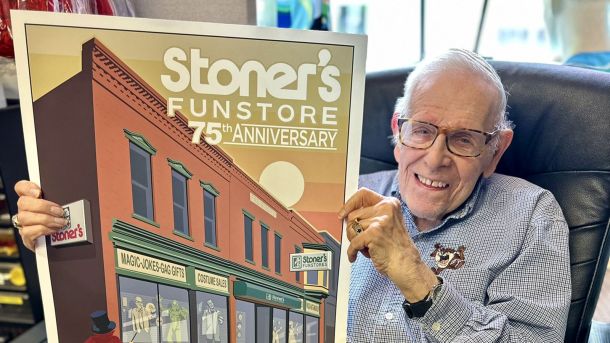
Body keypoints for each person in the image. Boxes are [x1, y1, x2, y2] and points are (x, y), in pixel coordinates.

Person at [338, 49, 571, 341]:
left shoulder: (532, 216)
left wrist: (418, 281)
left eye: (463, 139)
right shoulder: (345, 195)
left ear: (495, 151)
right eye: (422, 131)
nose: (435, 160)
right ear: (398, 131)